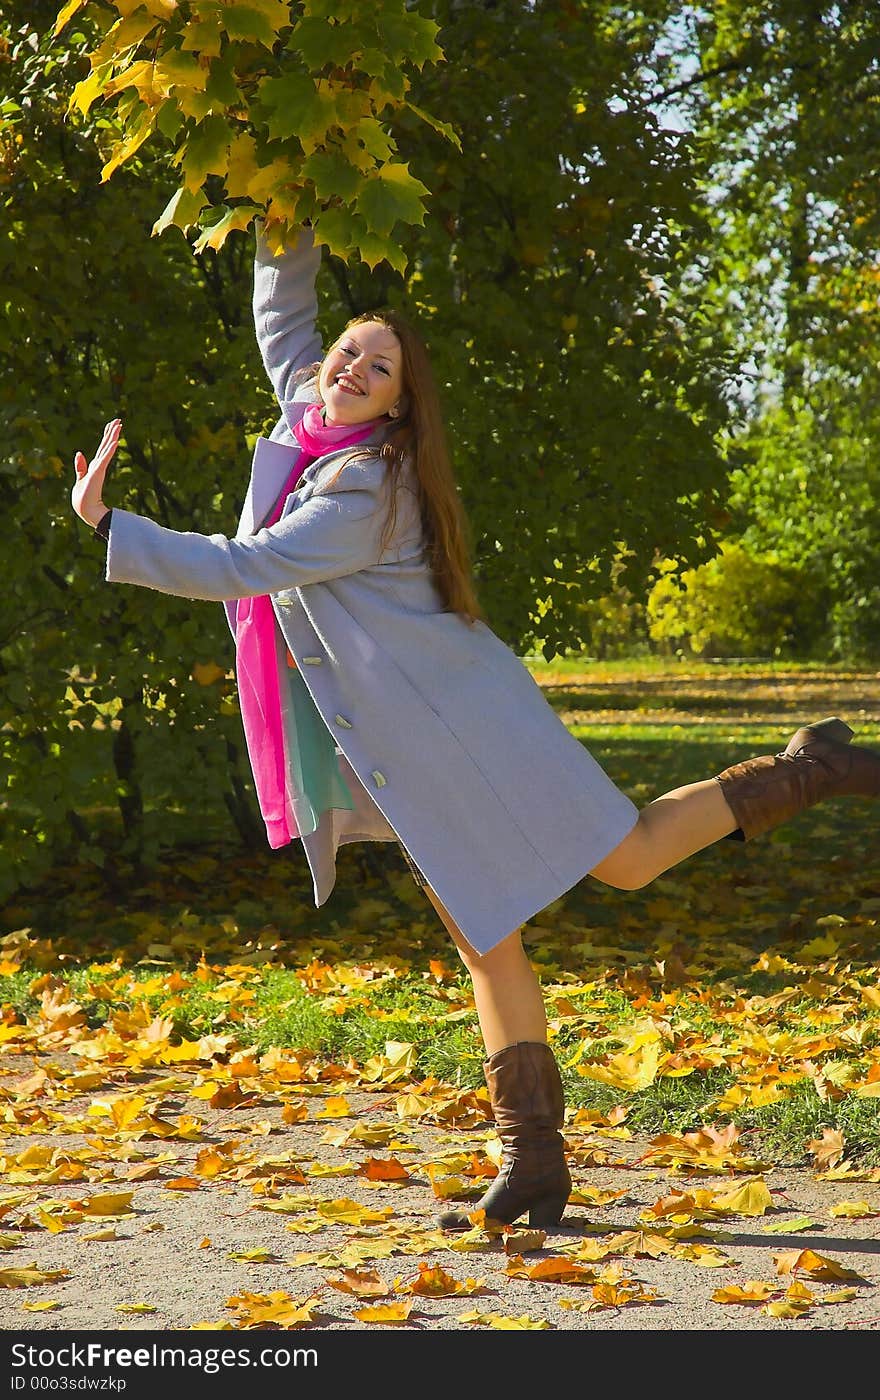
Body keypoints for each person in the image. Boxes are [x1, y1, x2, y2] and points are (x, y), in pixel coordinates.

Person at [71, 224, 880, 1233]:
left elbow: (247, 564)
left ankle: (812, 770)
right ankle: (532, 1162)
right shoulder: (308, 419)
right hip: (415, 744)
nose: (351, 367)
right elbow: (284, 318)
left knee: (624, 860)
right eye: (348, 353)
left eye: (379, 365)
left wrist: (111, 525)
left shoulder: (362, 483)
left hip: (471, 724)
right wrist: (288, 209)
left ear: (401, 406)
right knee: (484, 934)